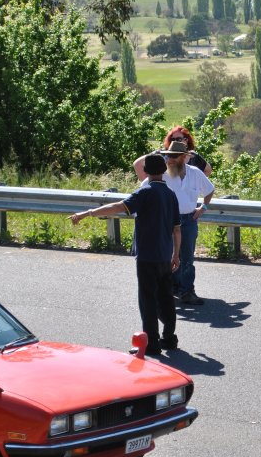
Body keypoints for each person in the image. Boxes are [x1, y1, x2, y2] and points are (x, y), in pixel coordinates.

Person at [69, 153, 180, 357]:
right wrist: (176, 254)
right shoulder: (170, 194)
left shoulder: (145, 191)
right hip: (165, 255)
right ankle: (169, 338)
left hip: (147, 255)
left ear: (145, 171)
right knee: (166, 297)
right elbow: (177, 229)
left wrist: (88, 213)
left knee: (147, 300)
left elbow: (119, 207)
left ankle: (152, 343)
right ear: (164, 171)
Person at [148, 140, 216, 306]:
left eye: (174, 156)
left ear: (184, 157)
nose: (170, 159)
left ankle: (187, 291)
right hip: (167, 220)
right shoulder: (162, 173)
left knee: (187, 257)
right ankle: (167, 289)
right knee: (166, 256)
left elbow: (209, 189)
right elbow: (145, 189)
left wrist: (203, 207)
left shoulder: (195, 173)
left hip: (188, 219)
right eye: (169, 156)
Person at [134, 126, 212, 179]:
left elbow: (208, 170)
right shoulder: (162, 154)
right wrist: (149, 183)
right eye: (172, 139)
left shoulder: (193, 156)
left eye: (178, 139)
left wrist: (195, 184)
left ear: (186, 140)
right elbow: (137, 164)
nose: (175, 142)